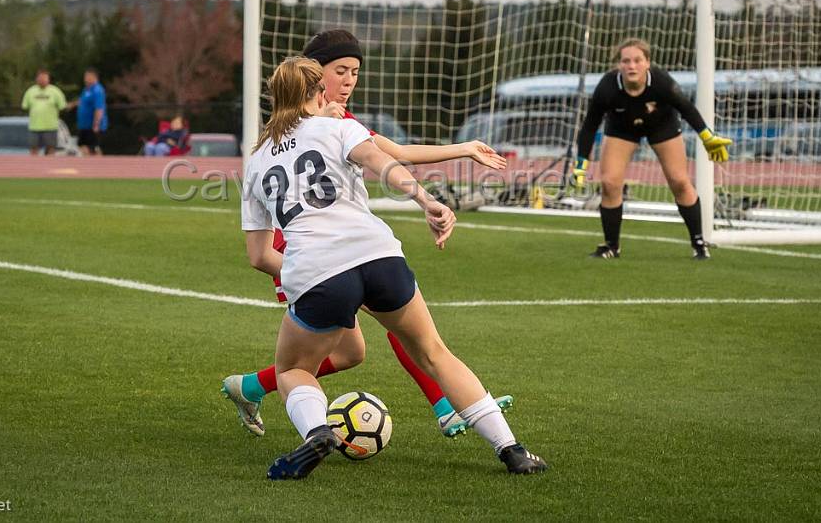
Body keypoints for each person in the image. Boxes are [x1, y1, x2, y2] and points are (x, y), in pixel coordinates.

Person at [242, 56, 547, 479]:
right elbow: (382, 161)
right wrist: (427, 200)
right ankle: (511, 449)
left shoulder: (255, 161)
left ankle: (317, 433)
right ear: (318, 92)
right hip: (378, 256)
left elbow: (258, 256)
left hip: (318, 273)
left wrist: (304, 274)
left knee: (294, 369)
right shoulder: (337, 125)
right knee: (435, 353)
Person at [572, 38, 733, 260]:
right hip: (622, 128)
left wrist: (707, 136)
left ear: (648, 63)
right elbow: (589, 126)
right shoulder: (607, 87)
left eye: (638, 60)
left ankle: (698, 243)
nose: (632, 66)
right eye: (626, 61)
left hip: (662, 126)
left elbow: (686, 108)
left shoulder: (661, 82)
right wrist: (580, 166)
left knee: (679, 181)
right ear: (619, 65)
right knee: (609, 182)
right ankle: (611, 246)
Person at [21, 69, 67, 156]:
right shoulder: (30, 91)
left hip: (50, 127)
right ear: (36, 79)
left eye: (44, 78)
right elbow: (25, 106)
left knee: (51, 149)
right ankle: (34, 168)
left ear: (48, 79)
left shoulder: (55, 91)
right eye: (40, 78)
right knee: (33, 149)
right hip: (34, 127)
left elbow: (62, 106)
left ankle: (49, 167)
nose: (42, 80)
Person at [73, 69, 108, 156]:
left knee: (94, 148)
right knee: (83, 146)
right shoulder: (86, 89)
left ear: (94, 77)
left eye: (87, 76)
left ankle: (100, 167)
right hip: (84, 125)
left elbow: (99, 108)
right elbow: (82, 101)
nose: (85, 79)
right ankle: (88, 166)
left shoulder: (97, 90)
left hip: (92, 126)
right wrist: (71, 105)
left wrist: (96, 124)